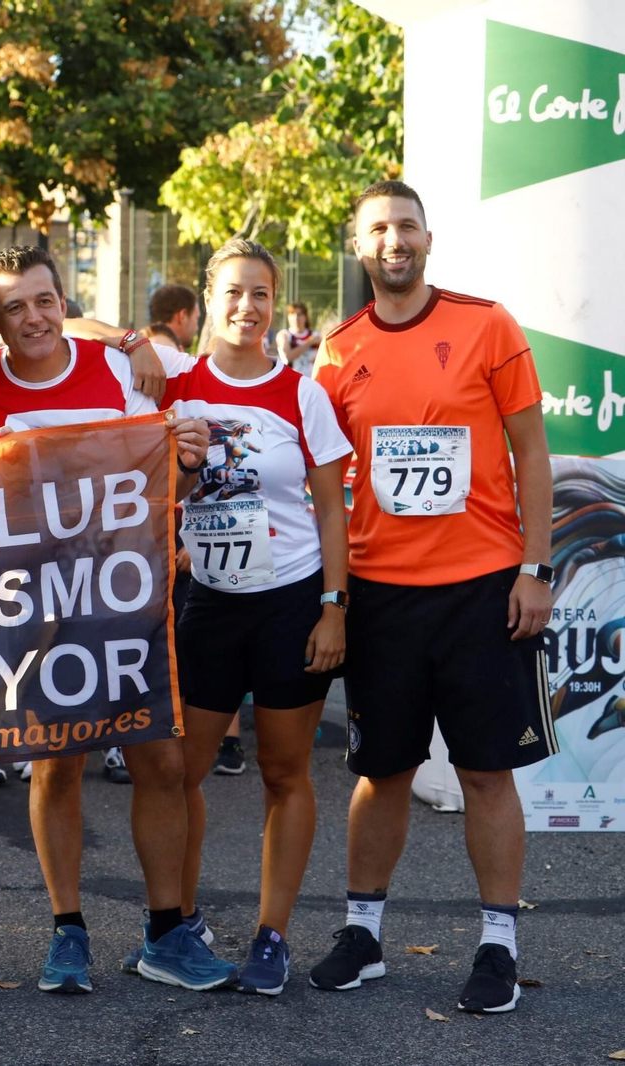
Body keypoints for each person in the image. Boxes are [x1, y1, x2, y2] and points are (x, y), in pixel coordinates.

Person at [309, 181, 553, 1014]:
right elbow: (324, 486)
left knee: (486, 773)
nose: (395, 239)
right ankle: (362, 934)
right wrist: (334, 597)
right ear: (359, 246)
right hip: (382, 595)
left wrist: (537, 567)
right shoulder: (337, 351)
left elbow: (532, 454)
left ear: (428, 238)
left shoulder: (488, 325)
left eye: (407, 225)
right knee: (382, 771)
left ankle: (498, 944)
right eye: (379, 228)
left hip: (483, 591)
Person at [0, 246, 228, 996]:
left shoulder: (115, 370)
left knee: (162, 764)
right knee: (57, 764)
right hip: (35, 604)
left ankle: (165, 933)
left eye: (44, 301)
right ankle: (68, 931)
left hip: (127, 595)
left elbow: (166, 475)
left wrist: (188, 461)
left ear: (64, 302)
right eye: (13, 307)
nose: (33, 318)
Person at [161, 239, 352, 995]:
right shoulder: (177, 386)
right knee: (181, 772)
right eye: (234, 292)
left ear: (276, 302)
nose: (248, 307)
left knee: (283, 772)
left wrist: (334, 608)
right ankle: (178, 921)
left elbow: (333, 511)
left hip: (291, 600)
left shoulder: (303, 394)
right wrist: (134, 338)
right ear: (209, 298)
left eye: (261, 294)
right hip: (207, 603)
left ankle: (273, 936)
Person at [149, 284, 202, 350]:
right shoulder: (171, 354)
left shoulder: (141, 349)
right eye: (196, 318)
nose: (197, 328)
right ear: (182, 316)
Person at [276, 301, 321, 376]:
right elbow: (287, 357)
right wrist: (309, 343)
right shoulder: (284, 335)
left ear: (306, 317)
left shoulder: (315, 335)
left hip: (312, 379)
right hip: (291, 379)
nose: (296, 318)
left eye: (299, 314)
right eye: (292, 314)